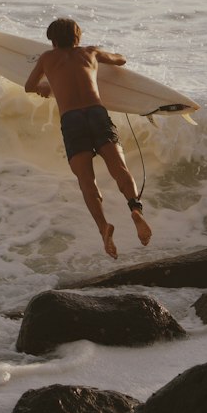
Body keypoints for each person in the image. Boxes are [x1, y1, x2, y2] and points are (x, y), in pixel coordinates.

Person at [24, 17, 152, 260]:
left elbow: (29, 86)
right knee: (119, 168)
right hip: (96, 113)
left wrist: (44, 87)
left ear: (52, 40)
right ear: (78, 37)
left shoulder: (47, 58)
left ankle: (104, 227)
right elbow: (120, 59)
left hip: (71, 120)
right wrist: (114, 54)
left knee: (86, 179)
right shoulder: (90, 52)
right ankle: (135, 208)